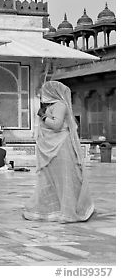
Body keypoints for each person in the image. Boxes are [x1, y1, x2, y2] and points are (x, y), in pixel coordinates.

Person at [23, 81, 95, 223]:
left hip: (61, 147)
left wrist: (43, 116)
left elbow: (56, 125)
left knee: (64, 178)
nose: (42, 95)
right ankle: (49, 209)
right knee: (49, 178)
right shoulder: (52, 106)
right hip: (51, 147)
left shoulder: (60, 105)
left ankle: (67, 210)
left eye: (44, 91)